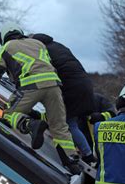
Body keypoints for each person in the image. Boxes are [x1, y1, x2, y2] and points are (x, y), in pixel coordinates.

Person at [0, 22, 80, 174]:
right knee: (59, 127)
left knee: (8, 115)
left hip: (30, 85)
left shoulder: (5, 48)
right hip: (54, 85)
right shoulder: (38, 43)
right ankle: (72, 162)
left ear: (3, 38)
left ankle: (29, 125)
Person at [31, 33, 96, 163]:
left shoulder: (44, 51)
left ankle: (80, 155)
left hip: (72, 89)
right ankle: (87, 153)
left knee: (66, 123)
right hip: (84, 86)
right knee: (70, 122)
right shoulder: (59, 46)